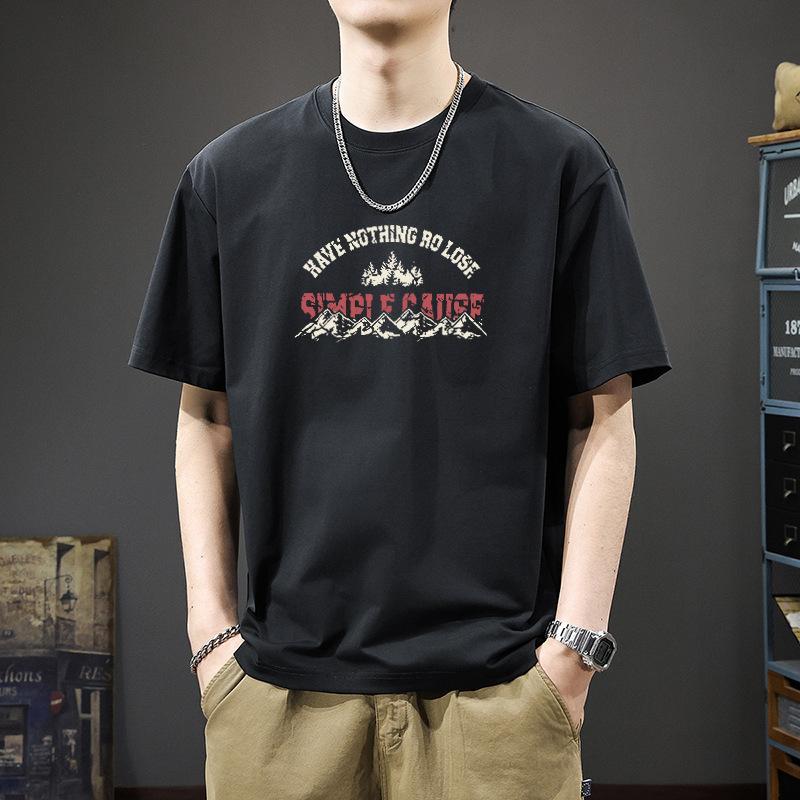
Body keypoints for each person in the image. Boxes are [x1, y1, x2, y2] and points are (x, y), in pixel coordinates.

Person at [127, 0, 672, 797]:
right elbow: (207, 416)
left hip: (498, 702)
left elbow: (603, 419)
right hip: (278, 703)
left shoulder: (559, 167)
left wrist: (573, 653)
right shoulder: (229, 177)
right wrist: (210, 638)